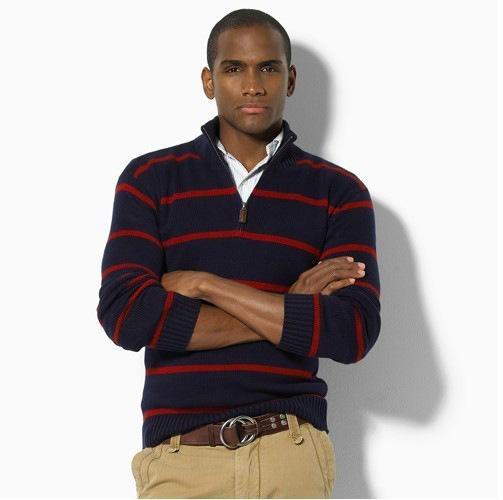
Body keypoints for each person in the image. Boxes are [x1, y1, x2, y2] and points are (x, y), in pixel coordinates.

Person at [97, 8, 381, 499]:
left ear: (290, 79)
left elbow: (352, 331)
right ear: (209, 81)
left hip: (290, 451)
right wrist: (291, 306)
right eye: (234, 69)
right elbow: (127, 315)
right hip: (181, 459)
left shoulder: (339, 191)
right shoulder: (150, 179)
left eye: (268, 67)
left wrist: (205, 285)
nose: (253, 85)